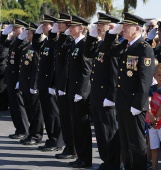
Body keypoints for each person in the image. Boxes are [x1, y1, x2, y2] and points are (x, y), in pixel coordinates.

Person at [103, 12, 155, 170]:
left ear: (137, 28)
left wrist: (138, 104)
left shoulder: (144, 48)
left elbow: (145, 81)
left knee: (137, 144)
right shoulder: (126, 45)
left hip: (134, 105)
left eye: (126, 26)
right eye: (123, 26)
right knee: (125, 144)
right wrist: (112, 33)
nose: (123, 29)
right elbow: (107, 50)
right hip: (122, 102)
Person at [84, 12, 120, 170]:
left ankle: (113, 163)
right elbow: (87, 53)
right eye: (97, 25)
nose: (98, 27)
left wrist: (111, 97)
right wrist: (91, 37)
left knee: (109, 133)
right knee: (100, 133)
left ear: (111, 27)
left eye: (101, 25)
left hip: (107, 97)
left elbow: (115, 74)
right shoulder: (101, 44)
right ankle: (106, 161)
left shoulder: (113, 46)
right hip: (98, 96)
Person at [58, 15, 93, 168]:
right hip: (72, 91)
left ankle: (85, 159)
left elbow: (86, 71)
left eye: (73, 27)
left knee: (82, 127)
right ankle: (80, 156)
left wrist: (81, 92)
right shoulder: (73, 44)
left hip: (80, 94)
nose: (70, 29)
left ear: (81, 28)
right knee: (76, 126)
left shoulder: (84, 44)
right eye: (70, 26)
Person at [49, 13, 77, 159]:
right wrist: (54, 32)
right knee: (64, 118)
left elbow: (66, 66)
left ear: (68, 25)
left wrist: (63, 86)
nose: (58, 25)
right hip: (61, 84)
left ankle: (72, 148)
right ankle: (69, 147)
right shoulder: (63, 40)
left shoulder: (71, 40)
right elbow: (53, 45)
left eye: (61, 24)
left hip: (67, 86)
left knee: (69, 119)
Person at [33, 14, 61, 151]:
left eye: (46, 25)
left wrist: (54, 85)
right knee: (47, 113)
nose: (43, 27)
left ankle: (56, 141)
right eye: (42, 25)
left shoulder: (56, 41)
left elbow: (56, 65)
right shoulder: (46, 42)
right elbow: (36, 45)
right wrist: (37, 33)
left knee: (53, 114)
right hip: (43, 82)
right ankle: (51, 138)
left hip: (51, 83)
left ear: (54, 26)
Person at [1, 19, 29, 139]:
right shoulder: (14, 41)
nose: (13, 30)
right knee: (13, 106)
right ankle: (19, 129)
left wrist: (19, 79)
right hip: (11, 78)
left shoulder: (24, 42)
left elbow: (22, 64)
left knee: (19, 105)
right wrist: (3, 34)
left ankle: (24, 130)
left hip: (18, 78)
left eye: (16, 28)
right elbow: (3, 43)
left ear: (23, 30)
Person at [18, 22, 44, 145]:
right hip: (25, 84)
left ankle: (36, 135)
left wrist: (34, 85)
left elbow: (36, 68)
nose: (28, 35)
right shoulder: (27, 47)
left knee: (36, 112)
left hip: (32, 85)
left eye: (29, 33)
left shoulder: (36, 48)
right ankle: (31, 133)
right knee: (29, 110)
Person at [147, 63, 161, 170]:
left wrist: (156, 119)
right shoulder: (151, 88)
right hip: (152, 122)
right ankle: (154, 168)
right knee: (154, 147)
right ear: (154, 76)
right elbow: (148, 102)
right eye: (159, 75)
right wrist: (151, 116)